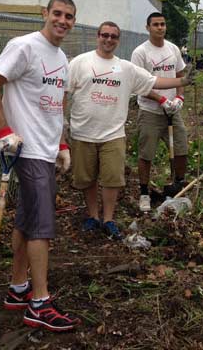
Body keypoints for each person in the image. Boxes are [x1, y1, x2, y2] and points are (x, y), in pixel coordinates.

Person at [0, 0, 80, 331]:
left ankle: (18, 286)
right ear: (45, 14)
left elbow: (56, 103)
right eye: (57, 14)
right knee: (41, 228)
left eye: (69, 16)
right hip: (28, 149)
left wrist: (63, 143)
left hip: (47, 150)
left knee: (26, 221)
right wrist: (4, 131)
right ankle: (39, 303)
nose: (62, 20)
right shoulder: (23, 46)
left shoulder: (61, 57)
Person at [67, 21, 191, 239]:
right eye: (105, 35)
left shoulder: (125, 68)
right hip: (83, 132)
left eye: (113, 36)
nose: (108, 39)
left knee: (112, 179)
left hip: (113, 133)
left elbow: (154, 81)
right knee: (87, 179)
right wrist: (62, 123)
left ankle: (108, 219)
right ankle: (93, 216)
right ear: (98, 36)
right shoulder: (80, 63)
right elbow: (64, 92)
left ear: (118, 40)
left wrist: (183, 81)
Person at [131, 12, 188, 212]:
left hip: (173, 111)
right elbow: (139, 84)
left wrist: (179, 97)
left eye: (163, 24)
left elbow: (180, 76)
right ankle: (145, 192)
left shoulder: (172, 49)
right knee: (147, 153)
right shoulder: (141, 52)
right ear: (148, 27)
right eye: (155, 24)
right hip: (150, 112)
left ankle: (179, 185)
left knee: (181, 147)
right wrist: (161, 99)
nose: (160, 28)